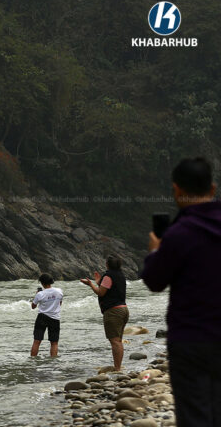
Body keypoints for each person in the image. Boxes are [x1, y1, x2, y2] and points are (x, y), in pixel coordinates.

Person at [140, 157, 221, 426]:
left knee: (195, 416)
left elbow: (155, 281)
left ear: (176, 190)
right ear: (212, 188)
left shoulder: (178, 234)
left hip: (190, 339)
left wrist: (155, 252)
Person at [80, 255, 129, 371]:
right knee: (118, 340)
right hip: (123, 309)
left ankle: (117, 368)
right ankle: (118, 367)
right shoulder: (121, 275)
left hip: (113, 311)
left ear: (107, 264)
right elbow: (110, 290)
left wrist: (91, 284)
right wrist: (99, 282)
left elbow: (101, 293)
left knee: (115, 341)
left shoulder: (108, 276)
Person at [30, 273, 63, 357]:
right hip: (55, 318)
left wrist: (36, 295)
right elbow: (60, 303)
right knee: (54, 343)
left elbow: (33, 306)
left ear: (42, 283)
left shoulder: (40, 294)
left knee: (37, 341)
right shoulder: (59, 291)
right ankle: (53, 361)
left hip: (42, 317)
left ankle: (32, 360)